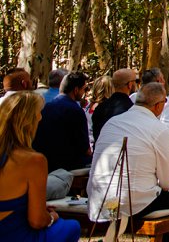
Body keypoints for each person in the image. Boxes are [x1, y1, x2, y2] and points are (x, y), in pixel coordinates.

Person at [88, 83, 169, 242]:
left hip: (99, 196)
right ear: (158, 106)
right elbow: (168, 183)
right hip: (132, 201)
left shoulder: (112, 122)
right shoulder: (158, 129)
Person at [0, 92, 81, 242]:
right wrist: (51, 217)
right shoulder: (33, 160)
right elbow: (36, 221)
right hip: (15, 234)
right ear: (28, 121)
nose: (41, 117)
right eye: (39, 113)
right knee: (72, 227)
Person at [32, 73, 91, 174]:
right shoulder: (76, 111)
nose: (83, 93)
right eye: (83, 89)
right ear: (76, 90)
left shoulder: (46, 107)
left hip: (45, 160)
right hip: (67, 164)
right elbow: (84, 148)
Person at [92, 69, 136, 141]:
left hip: (100, 150)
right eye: (135, 81)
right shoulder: (132, 109)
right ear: (130, 85)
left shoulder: (99, 108)